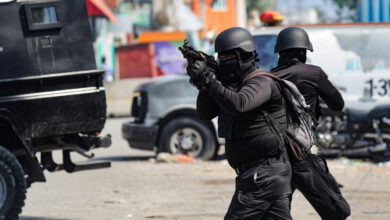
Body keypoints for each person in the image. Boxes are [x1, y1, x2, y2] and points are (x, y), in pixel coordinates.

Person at [189, 27, 292, 219]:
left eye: (229, 58)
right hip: (262, 174)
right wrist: (203, 86)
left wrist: (211, 81)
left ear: (245, 56)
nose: (224, 62)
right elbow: (205, 113)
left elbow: (240, 103)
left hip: (263, 174)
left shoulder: (261, 81)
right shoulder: (229, 87)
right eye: (222, 58)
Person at [271, 27, 351, 220]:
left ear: (280, 53)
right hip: (303, 154)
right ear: (303, 52)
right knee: (337, 210)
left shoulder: (270, 77)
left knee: (278, 212)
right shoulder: (313, 73)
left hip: (275, 155)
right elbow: (338, 103)